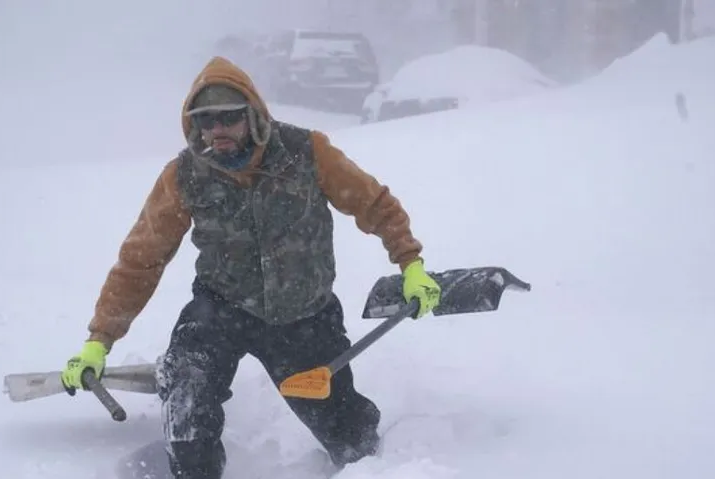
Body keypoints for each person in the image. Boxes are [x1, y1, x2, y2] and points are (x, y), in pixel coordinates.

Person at [60, 56, 442, 478]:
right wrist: (99, 340)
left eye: (229, 117)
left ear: (252, 115)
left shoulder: (306, 152)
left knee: (351, 439)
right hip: (220, 308)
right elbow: (140, 260)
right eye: (206, 121)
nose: (217, 130)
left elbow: (376, 204)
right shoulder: (184, 175)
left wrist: (411, 264)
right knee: (189, 404)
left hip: (304, 316)